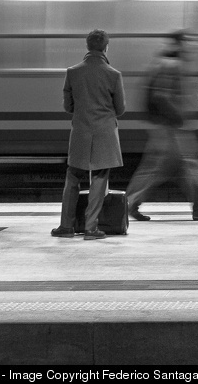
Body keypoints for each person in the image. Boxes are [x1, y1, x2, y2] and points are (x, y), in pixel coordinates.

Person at [126, 30, 198, 223]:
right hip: (170, 128)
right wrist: (180, 119)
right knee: (184, 165)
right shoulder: (171, 64)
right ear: (179, 44)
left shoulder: (167, 62)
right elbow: (162, 96)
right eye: (190, 43)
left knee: (174, 167)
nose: (194, 47)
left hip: (166, 126)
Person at [51, 28, 125, 240]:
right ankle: (91, 228)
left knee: (73, 176)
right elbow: (120, 109)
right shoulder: (114, 74)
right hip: (104, 133)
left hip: (81, 132)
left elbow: (68, 107)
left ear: (87, 46)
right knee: (100, 177)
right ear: (106, 47)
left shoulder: (73, 72)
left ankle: (66, 226)